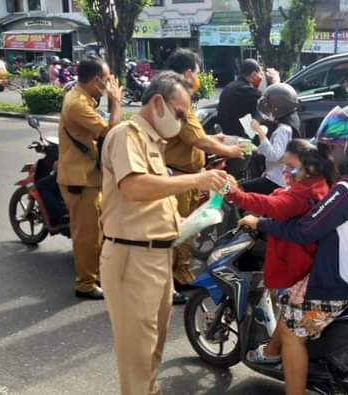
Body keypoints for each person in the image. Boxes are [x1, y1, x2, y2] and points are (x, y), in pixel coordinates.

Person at [239, 103, 348, 395]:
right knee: (290, 300)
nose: (330, 147)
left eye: (336, 142)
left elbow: (304, 230)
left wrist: (261, 224)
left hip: (343, 280)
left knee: (292, 333)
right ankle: (272, 352)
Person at [100, 71, 228, 395]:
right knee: (138, 356)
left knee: (152, 348)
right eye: (180, 113)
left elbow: (154, 203)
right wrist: (197, 179)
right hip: (132, 258)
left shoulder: (154, 142)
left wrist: (197, 215)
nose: (182, 122)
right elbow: (134, 187)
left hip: (156, 257)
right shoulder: (127, 135)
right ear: (158, 102)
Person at [227, 139, 336, 363]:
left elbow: (273, 205)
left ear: (310, 168)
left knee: (291, 328)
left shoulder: (302, 194)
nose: (286, 171)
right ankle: (272, 351)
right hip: (314, 259)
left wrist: (236, 194)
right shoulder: (320, 183)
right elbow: (284, 196)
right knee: (288, 316)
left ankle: (275, 354)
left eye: (291, 166)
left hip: (298, 262)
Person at [164, 49, 245, 304]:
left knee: (187, 231)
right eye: (198, 72)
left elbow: (196, 135)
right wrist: (230, 149)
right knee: (174, 233)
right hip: (177, 176)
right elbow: (199, 139)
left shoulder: (175, 95)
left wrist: (216, 139)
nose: (199, 77)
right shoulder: (177, 98)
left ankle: (181, 276)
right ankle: (168, 286)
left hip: (186, 174)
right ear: (188, 73)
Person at [57, 56, 122, 300]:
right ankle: (85, 283)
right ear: (96, 81)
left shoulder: (84, 97)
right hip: (79, 179)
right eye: (106, 80)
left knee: (98, 231)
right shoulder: (77, 104)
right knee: (87, 235)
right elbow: (111, 131)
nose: (108, 85)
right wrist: (115, 102)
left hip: (88, 175)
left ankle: (95, 274)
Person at [217, 58, 280, 178]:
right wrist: (276, 81)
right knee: (265, 144)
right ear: (253, 74)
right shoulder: (243, 89)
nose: (262, 77)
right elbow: (269, 99)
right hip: (236, 137)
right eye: (261, 74)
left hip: (231, 131)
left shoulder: (233, 86)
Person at [240, 83, 301, 195]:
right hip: (278, 176)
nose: (269, 111)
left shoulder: (283, 129)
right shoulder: (291, 121)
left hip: (278, 181)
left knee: (240, 189)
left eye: (270, 106)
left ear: (278, 106)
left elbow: (274, 155)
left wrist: (259, 131)